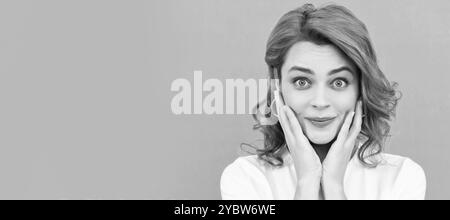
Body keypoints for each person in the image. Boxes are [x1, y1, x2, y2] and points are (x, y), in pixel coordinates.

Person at [220, 3, 426, 200]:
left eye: (339, 82)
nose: (320, 102)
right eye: (302, 82)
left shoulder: (401, 178)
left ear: (361, 89)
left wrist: (334, 186)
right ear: (277, 87)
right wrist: (307, 182)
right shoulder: (246, 178)